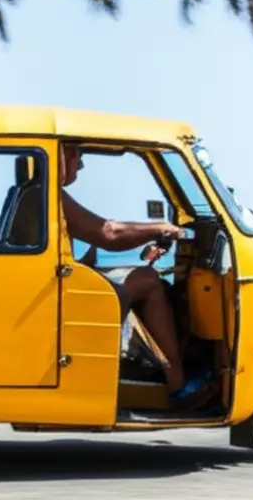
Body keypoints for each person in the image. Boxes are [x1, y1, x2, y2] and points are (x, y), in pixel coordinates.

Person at [59, 142, 209, 402]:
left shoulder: (43, 194)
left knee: (141, 275)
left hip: (62, 290)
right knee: (149, 281)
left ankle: (155, 369)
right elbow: (110, 233)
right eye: (78, 155)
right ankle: (177, 382)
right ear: (62, 156)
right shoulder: (52, 195)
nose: (81, 164)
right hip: (63, 303)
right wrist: (160, 228)